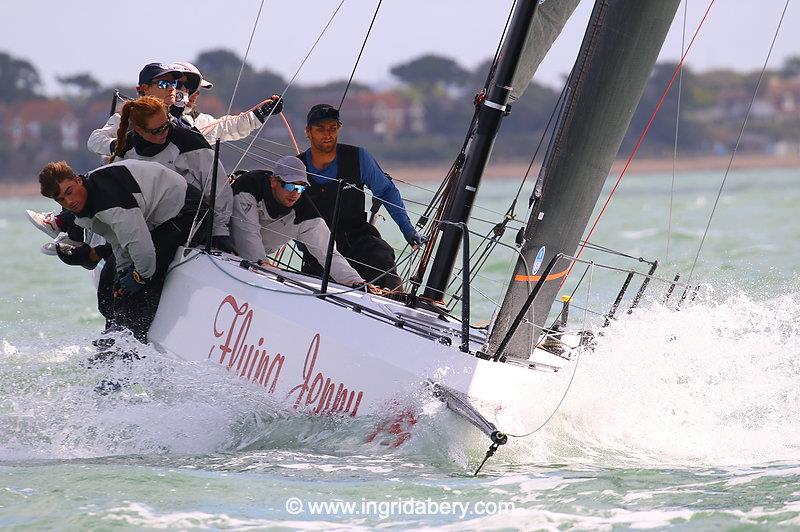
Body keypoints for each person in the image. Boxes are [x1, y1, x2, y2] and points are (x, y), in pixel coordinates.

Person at [38, 159, 203, 343]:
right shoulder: (85, 201)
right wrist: (123, 274)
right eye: (61, 199)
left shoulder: (109, 200)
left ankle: (133, 344)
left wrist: (138, 277)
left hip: (188, 210)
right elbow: (117, 241)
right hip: (155, 219)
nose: (69, 201)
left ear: (78, 180)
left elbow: (144, 253)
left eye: (69, 191)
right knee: (111, 285)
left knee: (147, 280)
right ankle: (115, 337)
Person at [297, 104, 424, 290]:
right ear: (308, 132)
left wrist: (408, 230)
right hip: (317, 247)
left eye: (333, 128)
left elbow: (386, 191)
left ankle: (394, 301)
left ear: (339, 128)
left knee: (382, 256)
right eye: (320, 129)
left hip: (357, 238)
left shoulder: (358, 157)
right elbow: (284, 207)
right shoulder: (297, 167)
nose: (328, 134)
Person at [110, 96, 234, 251]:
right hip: (144, 225)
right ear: (139, 130)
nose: (165, 132)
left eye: (166, 125)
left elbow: (218, 187)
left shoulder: (189, 141)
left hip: (187, 221)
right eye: (157, 130)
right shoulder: (126, 148)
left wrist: (219, 231)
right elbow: (116, 191)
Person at [230, 156, 364, 287]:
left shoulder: (304, 211)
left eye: (301, 188)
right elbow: (247, 233)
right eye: (290, 186)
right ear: (273, 181)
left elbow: (328, 252)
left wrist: (354, 281)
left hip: (257, 258)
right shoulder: (249, 187)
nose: (295, 193)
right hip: (224, 244)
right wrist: (261, 263)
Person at [169, 61, 284, 143]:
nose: (196, 93)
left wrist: (261, 113)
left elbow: (226, 128)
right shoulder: (159, 114)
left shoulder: (196, 120)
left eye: (195, 88)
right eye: (189, 87)